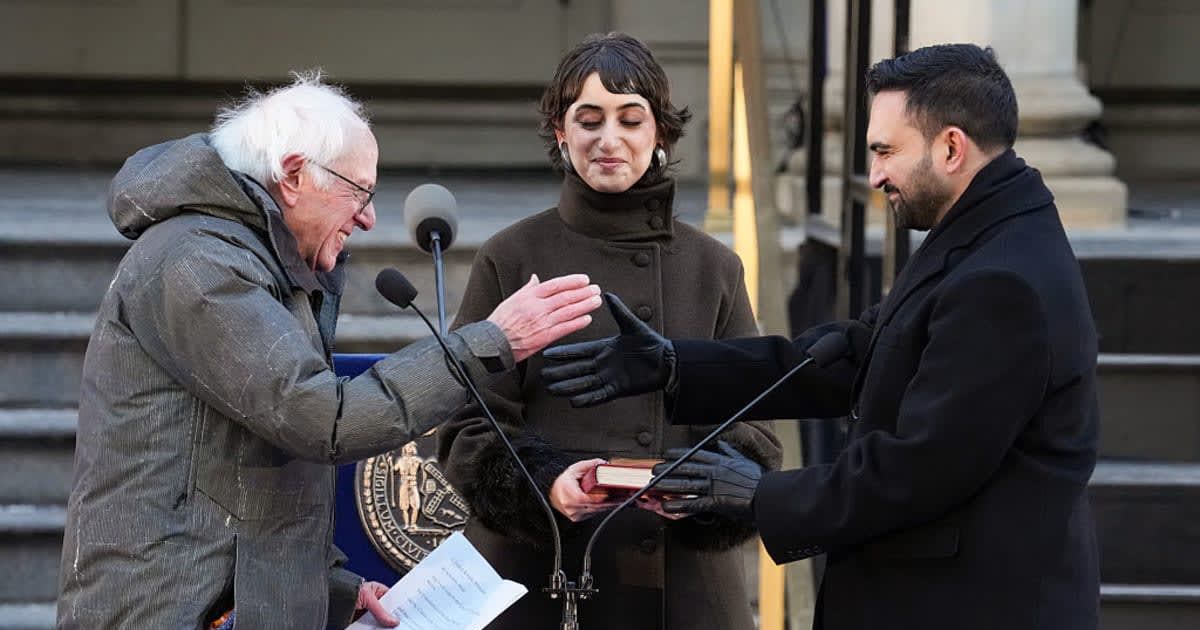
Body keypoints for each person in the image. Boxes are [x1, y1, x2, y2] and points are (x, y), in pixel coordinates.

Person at [541, 43, 1101, 630]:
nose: (876, 174)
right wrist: (677, 367)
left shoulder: (1002, 278)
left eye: (886, 152)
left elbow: (920, 470)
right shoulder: (981, 232)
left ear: (952, 147)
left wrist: (762, 494)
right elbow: (856, 353)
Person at [57, 73, 602, 630]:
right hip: (166, 607)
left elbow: (245, 476)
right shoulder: (197, 264)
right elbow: (321, 419)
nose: (367, 217)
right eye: (358, 192)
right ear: (293, 175)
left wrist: (333, 589)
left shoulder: (251, 259)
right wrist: (490, 342)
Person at [437, 33, 781, 629]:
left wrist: (697, 488)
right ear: (561, 133)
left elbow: (757, 434)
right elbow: (467, 428)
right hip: (537, 577)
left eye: (631, 118)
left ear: (661, 135)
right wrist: (546, 485)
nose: (609, 139)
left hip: (683, 589)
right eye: (588, 120)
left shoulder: (713, 267)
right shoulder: (510, 255)